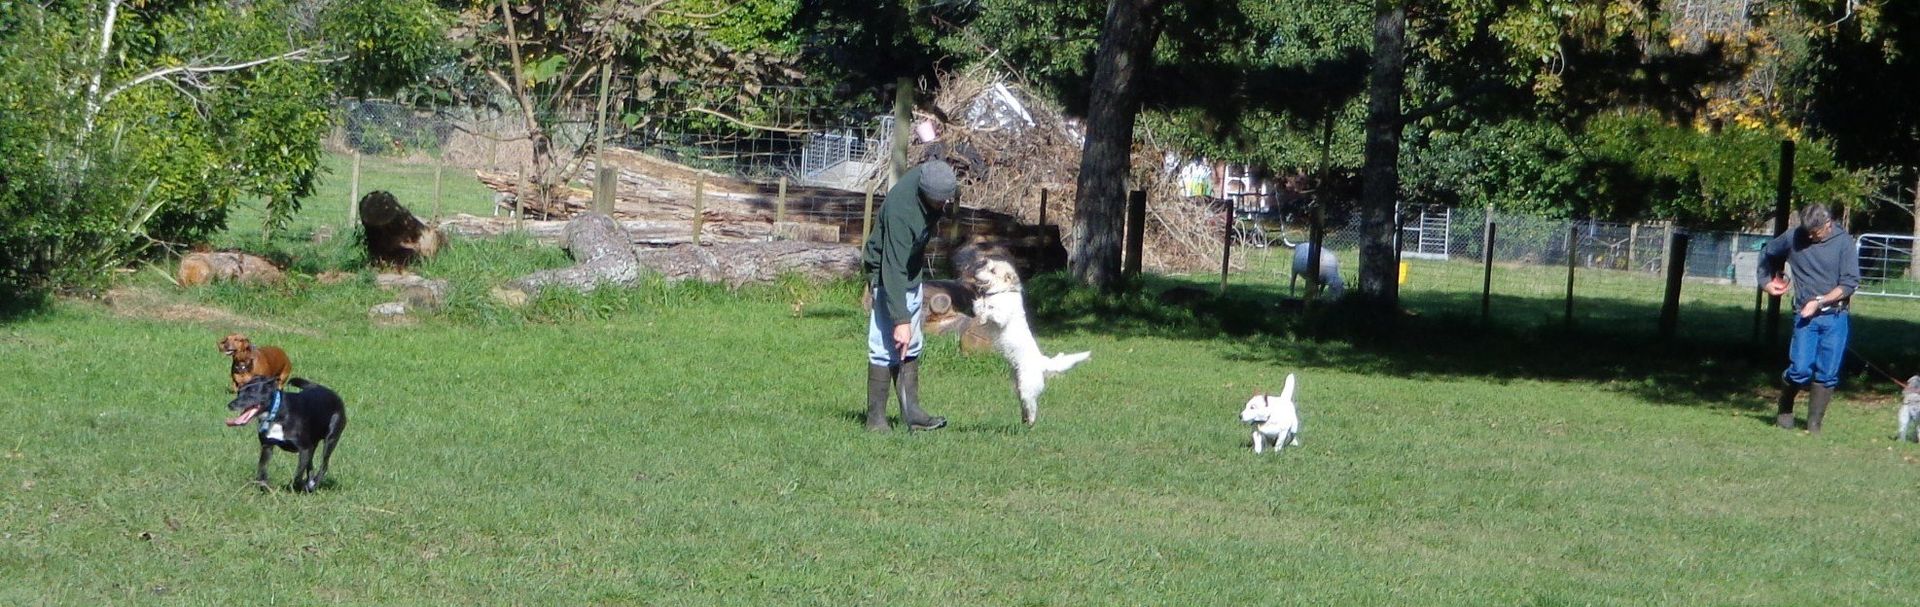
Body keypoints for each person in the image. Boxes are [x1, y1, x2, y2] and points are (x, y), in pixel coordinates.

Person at [860, 160, 957, 432]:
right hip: (885, 274)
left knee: (911, 346)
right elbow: (891, 269)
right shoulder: (901, 212)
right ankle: (876, 420)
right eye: (941, 202)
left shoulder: (935, 181)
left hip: (910, 271)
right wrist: (900, 320)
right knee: (883, 347)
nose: (945, 205)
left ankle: (911, 411)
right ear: (926, 196)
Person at [1758, 203, 1859, 433]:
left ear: (1828, 223)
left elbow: (1849, 284)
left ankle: (1814, 424)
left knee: (1827, 373)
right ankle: (1785, 405)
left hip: (1835, 316)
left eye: (1816, 232)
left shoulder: (1844, 243)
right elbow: (1768, 253)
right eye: (1808, 233)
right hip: (1805, 316)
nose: (1812, 236)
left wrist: (1821, 301)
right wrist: (1768, 281)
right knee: (1800, 369)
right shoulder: (1794, 237)